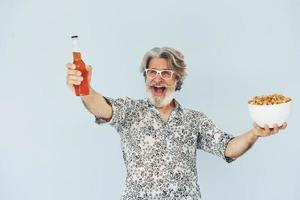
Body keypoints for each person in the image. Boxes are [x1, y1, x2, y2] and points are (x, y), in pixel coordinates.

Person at [65, 47, 287, 200]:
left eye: (165, 73)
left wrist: (255, 133)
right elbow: (101, 107)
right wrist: (85, 89)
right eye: (151, 72)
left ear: (177, 78)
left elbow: (228, 148)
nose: (157, 78)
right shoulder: (130, 111)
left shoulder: (194, 120)